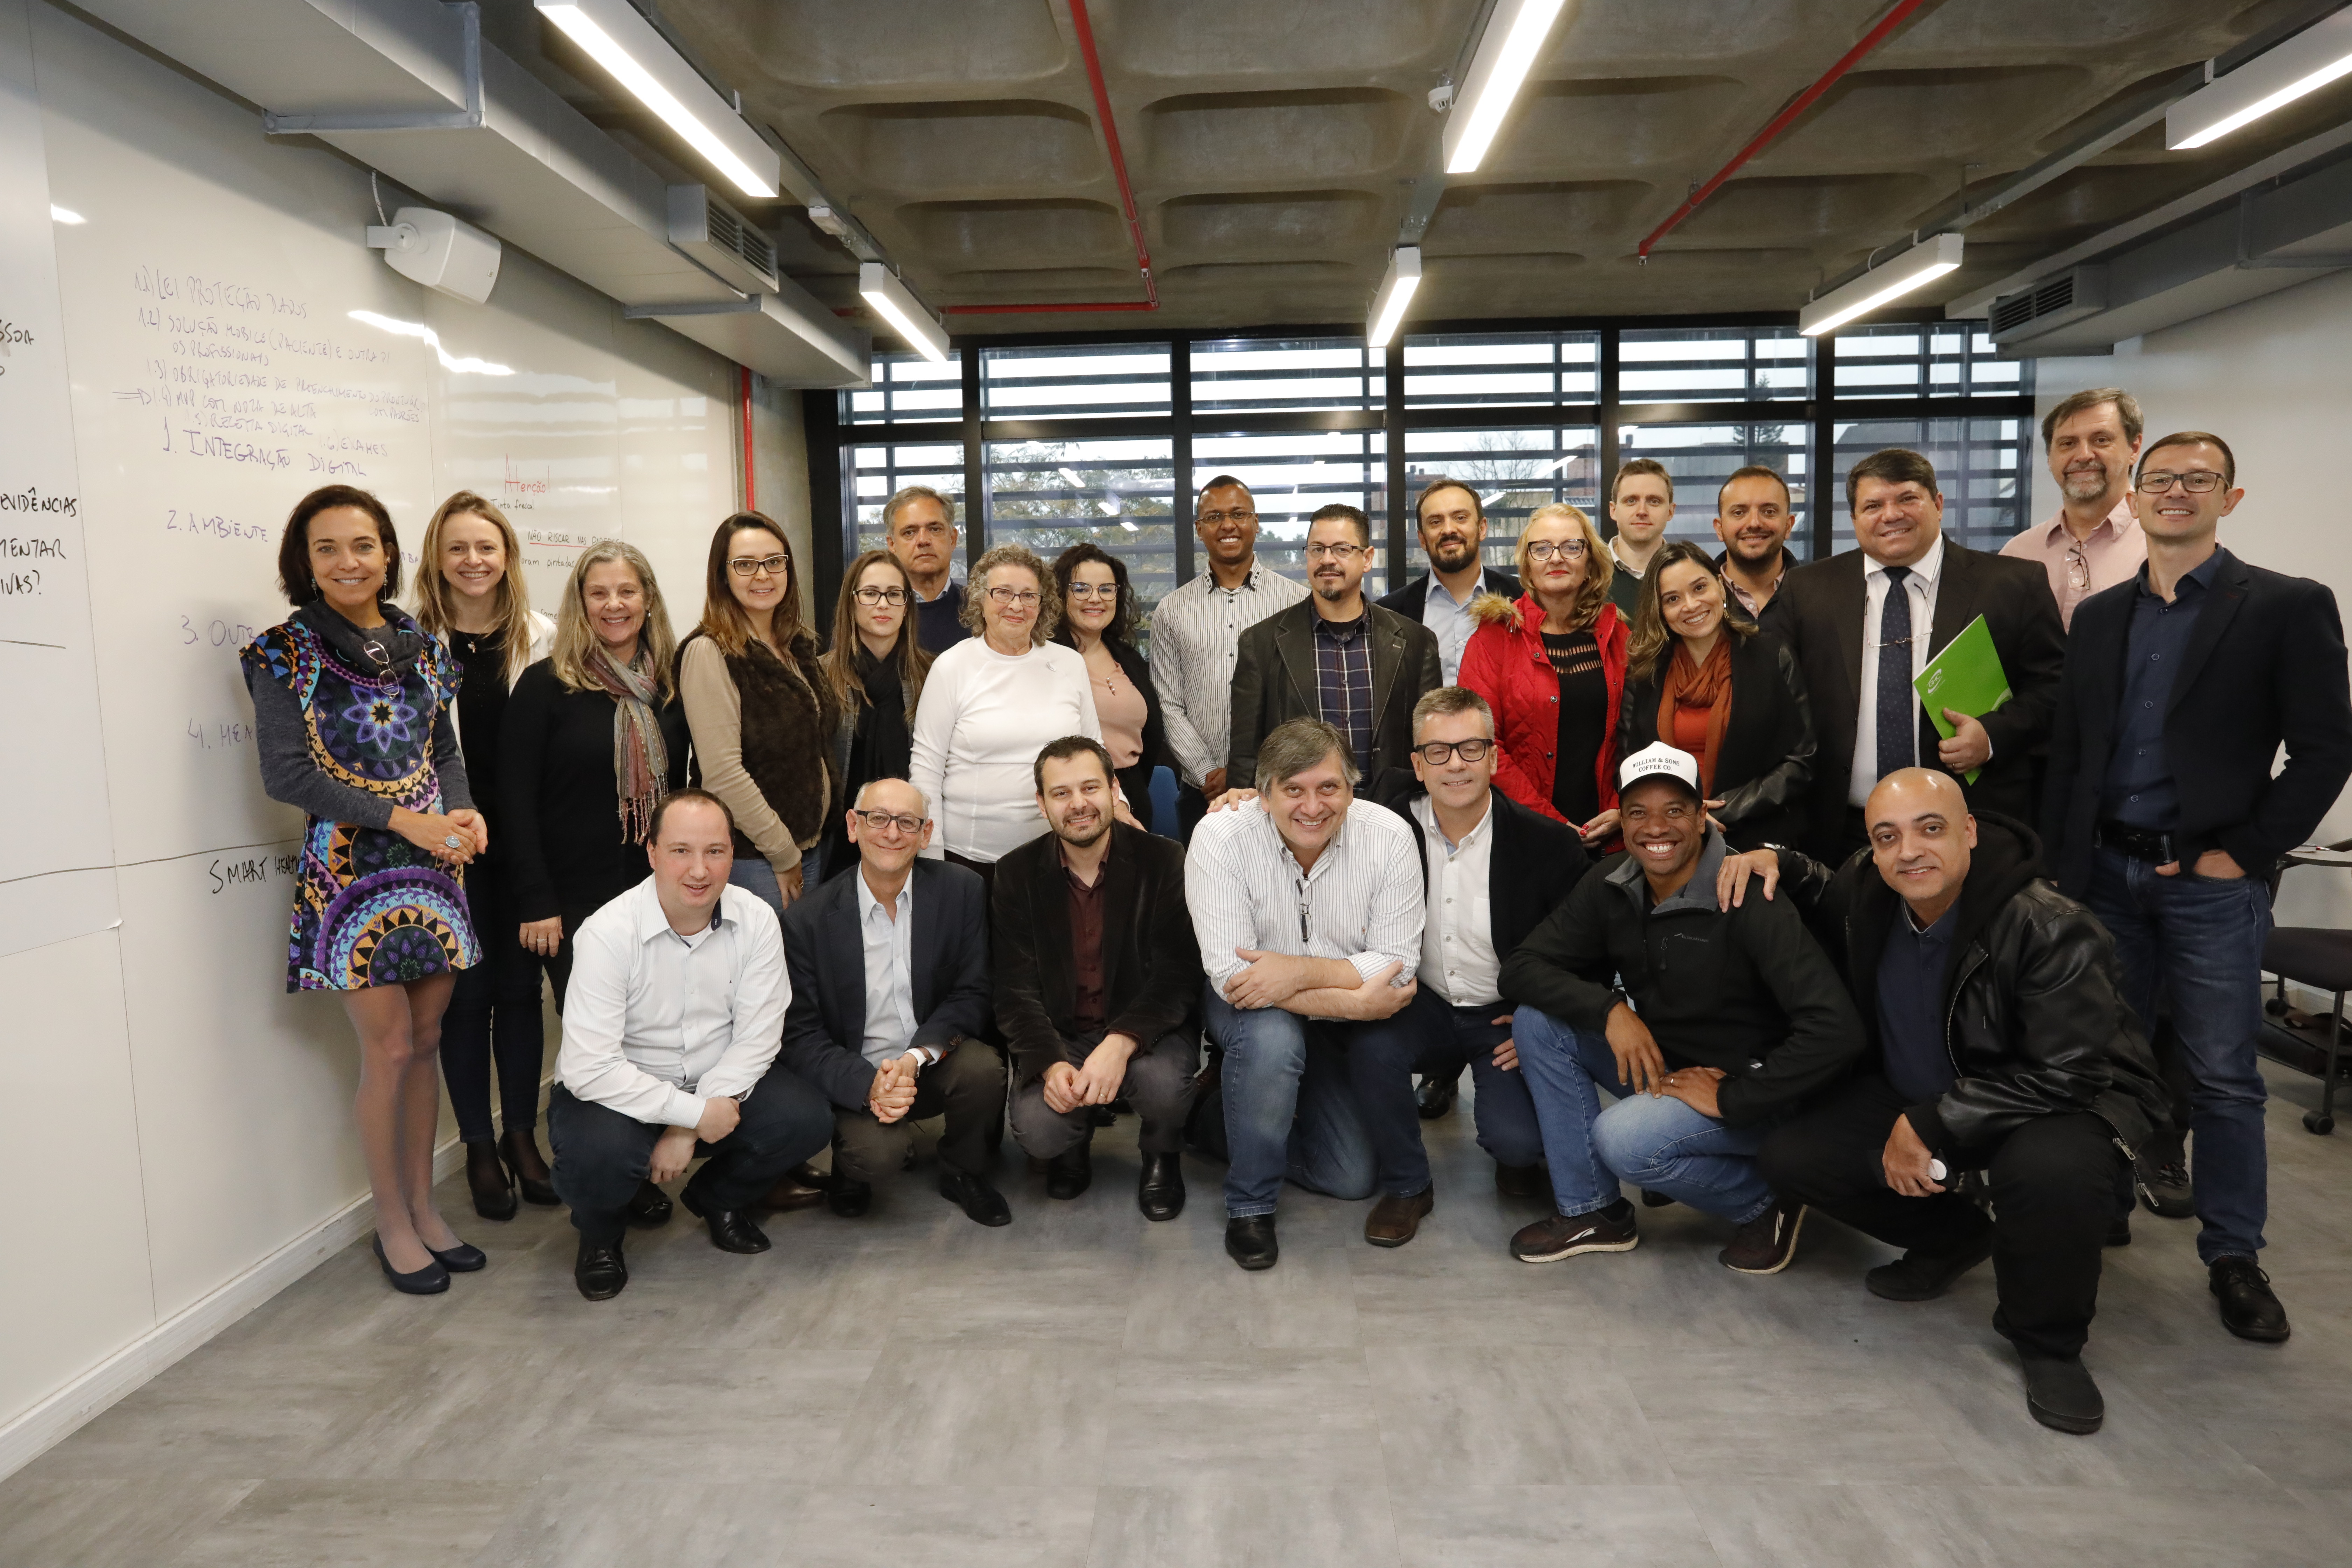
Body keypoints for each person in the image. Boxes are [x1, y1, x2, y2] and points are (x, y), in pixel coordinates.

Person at [1732, 770, 2170, 1436]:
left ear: (1969, 831)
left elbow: (2069, 1074)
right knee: (1793, 1155)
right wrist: (1779, 860)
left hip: (2057, 1101)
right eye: (1888, 837)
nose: (1908, 851)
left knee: (2050, 1171)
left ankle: (2048, 1344)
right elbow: (1827, 887)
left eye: (1929, 829)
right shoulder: (1873, 891)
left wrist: (1932, 1121)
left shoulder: (2050, 926)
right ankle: (1955, 1240)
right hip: (1925, 1088)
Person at [2043, 430, 2352, 1344]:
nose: (2178, 493)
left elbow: (2328, 748)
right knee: (2099, 1061)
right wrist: (2064, 875)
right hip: (2104, 872)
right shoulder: (2100, 619)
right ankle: (2099, 1210)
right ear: (2133, 498)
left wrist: (2248, 849)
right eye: (2162, 480)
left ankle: (2234, 1256)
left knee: (2223, 1075)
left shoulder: (2286, 607)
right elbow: (2074, 754)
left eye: (2199, 480)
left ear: (2232, 497)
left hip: (2210, 880)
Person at [240, 484, 487, 1295]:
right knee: (385, 1051)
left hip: (432, 869)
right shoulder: (283, 652)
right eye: (327, 548)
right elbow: (288, 775)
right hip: (350, 877)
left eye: (363, 545)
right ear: (304, 562)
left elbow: (441, 748)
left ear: (389, 554)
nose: (348, 562)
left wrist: (460, 810)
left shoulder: (421, 642)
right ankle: (391, 1222)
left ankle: (424, 1209)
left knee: (426, 1046)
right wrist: (402, 819)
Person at [1499, 744, 1863, 1275]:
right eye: (1639, 812)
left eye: (1674, 810)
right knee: (1541, 1023)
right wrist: (1610, 1011)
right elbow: (1523, 967)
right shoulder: (1613, 881)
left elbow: (1837, 1030)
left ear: (1701, 817)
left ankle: (1768, 1199)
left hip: (1764, 1091)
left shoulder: (1745, 892)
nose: (1656, 827)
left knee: (1621, 1141)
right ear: (1620, 820)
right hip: (1676, 1068)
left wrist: (1738, 1095)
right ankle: (1594, 1212)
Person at [546, 790, 834, 1302]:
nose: (700, 871)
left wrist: (687, 1124)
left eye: (715, 852)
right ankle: (602, 1233)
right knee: (598, 1159)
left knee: (806, 1118)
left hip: (714, 1077)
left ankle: (719, 1198)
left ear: (731, 853)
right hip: (618, 1090)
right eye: (681, 851)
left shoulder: (758, 921)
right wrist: (694, 1115)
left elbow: (758, 1036)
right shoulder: (608, 933)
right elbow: (592, 1068)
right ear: (652, 853)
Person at [1188, 718, 1427, 1268]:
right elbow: (1233, 976)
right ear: (1265, 793)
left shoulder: (1388, 836)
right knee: (1273, 1042)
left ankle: (1212, 1119)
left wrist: (1296, 973)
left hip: (1327, 1022)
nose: (1312, 806)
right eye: (1293, 789)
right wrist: (1354, 1000)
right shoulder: (1221, 836)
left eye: (1329, 788)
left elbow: (1398, 962)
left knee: (1350, 1178)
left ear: (1352, 787)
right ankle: (1250, 1205)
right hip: (1251, 1013)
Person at [1763, 448, 2065, 862]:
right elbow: (1775, 701)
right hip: (1841, 833)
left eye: (1907, 498)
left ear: (1938, 505)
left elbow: (2055, 689)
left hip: (1969, 828)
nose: (1891, 515)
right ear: (1854, 519)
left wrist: (1993, 736)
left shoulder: (2013, 584)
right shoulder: (1808, 590)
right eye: (1873, 505)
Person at [411, 490, 558, 1222]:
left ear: (508, 557)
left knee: (519, 994)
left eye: (487, 547)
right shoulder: (410, 645)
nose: (474, 560)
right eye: (459, 548)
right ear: (438, 559)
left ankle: (523, 1136)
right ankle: (478, 1145)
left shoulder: (545, 639)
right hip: (450, 852)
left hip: (525, 848)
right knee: (464, 1003)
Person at [1374, 688, 1586, 1182]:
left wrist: (1542, 1019)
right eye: (1438, 752)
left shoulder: (1549, 845)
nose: (1456, 765)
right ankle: (1406, 1183)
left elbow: (1585, 952)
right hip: (1421, 1003)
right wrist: (1247, 797)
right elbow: (1307, 809)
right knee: (1371, 1048)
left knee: (1519, 1148)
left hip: (1501, 1014)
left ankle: (1511, 1131)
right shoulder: (1384, 824)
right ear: (1418, 765)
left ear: (1493, 758)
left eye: (1472, 748)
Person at [778, 778, 1007, 1225]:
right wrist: (869, 1084)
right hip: (857, 1070)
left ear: (926, 834)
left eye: (907, 822)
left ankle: (964, 1171)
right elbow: (801, 1036)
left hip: (929, 1059)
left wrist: (915, 1058)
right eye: (878, 818)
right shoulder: (807, 920)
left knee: (984, 1069)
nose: (891, 832)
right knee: (878, 1157)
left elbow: (973, 992)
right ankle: (851, 1168)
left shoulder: (962, 892)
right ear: (853, 826)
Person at [996, 737, 1201, 1217]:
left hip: (1145, 1030)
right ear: (1042, 803)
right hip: (1063, 1034)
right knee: (1038, 1129)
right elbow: (1013, 990)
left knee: (1164, 1087)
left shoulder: (1164, 860)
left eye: (1090, 787)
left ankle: (1161, 1154)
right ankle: (1074, 1143)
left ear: (1114, 790)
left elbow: (1179, 974)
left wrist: (1121, 1043)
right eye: (1061, 793)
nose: (1079, 804)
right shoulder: (1015, 873)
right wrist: (1049, 1065)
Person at [501, 540, 690, 1014]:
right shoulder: (545, 685)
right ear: (580, 603)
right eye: (599, 593)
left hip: (659, 891)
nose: (614, 605)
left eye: (627, 591)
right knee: (594, 1033)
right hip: (572, 900)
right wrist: (537, 898)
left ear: (648, 600)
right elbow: (514, 800)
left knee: (662, 1024)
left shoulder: (670, 686)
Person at [909, 544, 1103, 889]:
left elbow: (1095, 754)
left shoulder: (1068, 663)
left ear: (1042, 604)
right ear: (981, 600)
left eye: (1029, 595)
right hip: (969, 863)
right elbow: (926, 768)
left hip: (1057, 856)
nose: (1016, 605)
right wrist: (931, 859)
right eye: (1003, 593)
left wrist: (1118, 808)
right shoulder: (951, 667)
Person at [677, 513, 839, 920]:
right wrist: (783, 853)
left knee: (797, 974)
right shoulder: (710, 651)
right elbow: (723, 773)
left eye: (774, 561)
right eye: (745, 564)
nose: (762, 575)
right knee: (764, 976)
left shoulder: (795, 644)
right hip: (758, 856)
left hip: (810, 845)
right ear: (723, 576)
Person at [1225, 504, 1444, 796]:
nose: (1327, 560)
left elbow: (1432, 743)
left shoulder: (1416, 642)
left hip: (1393, 813)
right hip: (1302, 815)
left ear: (1367, 559)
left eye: (1341, 549)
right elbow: (1245, 755)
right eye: (1317, 550)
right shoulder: (1261, 643)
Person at [1617, 542, 1815, 851]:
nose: (1691, 605)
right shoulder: (1646, 672)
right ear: (1660, 610)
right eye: (1673, 599)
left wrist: (1714, 812)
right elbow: (1630, 762)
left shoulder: (1773, 656)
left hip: (1756, 840)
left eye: (1699, 588)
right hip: (1666, 842)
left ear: (1721, 587)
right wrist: (1680, 817)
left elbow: (1801, 761)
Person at [1459, 501, 1629, 845]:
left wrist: (1624, 807)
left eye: (1571, 546)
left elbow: (1637, 733)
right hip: (1524, 834)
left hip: (1612, 835)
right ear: (1527, 564)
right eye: (1542, 548)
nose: (1556, 558)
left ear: (1589, 561)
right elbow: (1481, 744)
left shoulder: (1617, 634)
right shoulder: (1493, 638)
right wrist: (1551, 823)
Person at [1150, 475, 1308, 839]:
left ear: (1256, 522)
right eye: (1214, 517)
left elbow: (1299, 700)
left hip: (1278, 788)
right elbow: (1169, 703)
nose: (1227, 525)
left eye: (1239, 514)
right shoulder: (1172, 610)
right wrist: (1207, 771)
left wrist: (1247, 773)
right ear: (1199, 529)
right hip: (1199, 793)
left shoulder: (1296, 602)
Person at [816, 549, 932, 884]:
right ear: (851, 603)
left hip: (910, 841)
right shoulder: (821, 675)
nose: (883, 604)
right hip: (838, 843)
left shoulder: (932, 674)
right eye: (870, 594)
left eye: (895, 595)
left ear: (907, 605)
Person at [2000, 387, 2148, 630]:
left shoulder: (2166, 546)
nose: (2084, 455)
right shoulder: (2018, 553)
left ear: (2134, 448)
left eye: (2101, 440)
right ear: (2050, 458)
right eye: (2068, 444)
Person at [1051, 542, 1168, 827]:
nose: (1096, 599)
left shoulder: (1127, 656)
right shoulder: (1047, 659)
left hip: (1134, 792)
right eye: (1081, 589)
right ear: (1060, 595)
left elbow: (1150, 736)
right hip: (1076, 801)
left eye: (1106, 589)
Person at [1377, 477, 1520, 683]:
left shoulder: (1523, 600)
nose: (1449, 530)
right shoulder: (1390, 614)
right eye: (1436, 522)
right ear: (1422, 539)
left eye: (1460, 518)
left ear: (1482, 528)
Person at [883, 485, 968, 653]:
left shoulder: (983, 610)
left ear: (953, 539)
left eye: (935, 529)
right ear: (892, 545)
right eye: (910, 532)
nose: (923, 540)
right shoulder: (873, 614)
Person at [1712, 465, 1801, 621]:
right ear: (1720, 529)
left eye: (1769, 512)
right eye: (1739, 513)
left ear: (1788, 526)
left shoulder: (1819, 598)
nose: (1754, 523)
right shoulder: (1697, 604)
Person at [1604, 457, 1674, 614]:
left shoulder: (1688, 574)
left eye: (1654, 501)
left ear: (1670, 511)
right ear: (1613, 510)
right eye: (1631, 501)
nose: (1642, 511)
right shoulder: (1589, 575)